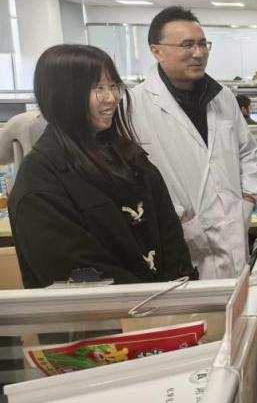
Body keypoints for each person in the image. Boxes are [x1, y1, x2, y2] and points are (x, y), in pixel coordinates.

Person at [8, 45, 197, 287]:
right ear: (62, 95)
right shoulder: (40, 180)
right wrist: (149, 298)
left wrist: (176, 292)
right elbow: (77, 272)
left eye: (113, 86)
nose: (111, 97)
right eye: (98, 88)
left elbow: (171, 238)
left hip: (166, 303)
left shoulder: (131, 158)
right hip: (106, 309)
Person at [130, 6, 257, 279]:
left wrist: (248, 198)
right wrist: (177, 218)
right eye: (187, 45)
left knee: (239, 301)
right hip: (182, 243)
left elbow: (247, 151)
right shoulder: (134, 106)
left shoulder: (223, 97)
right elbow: (134, 178)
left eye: (203, 44)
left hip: (233, 230)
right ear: (157, 51)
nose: (199, 53)